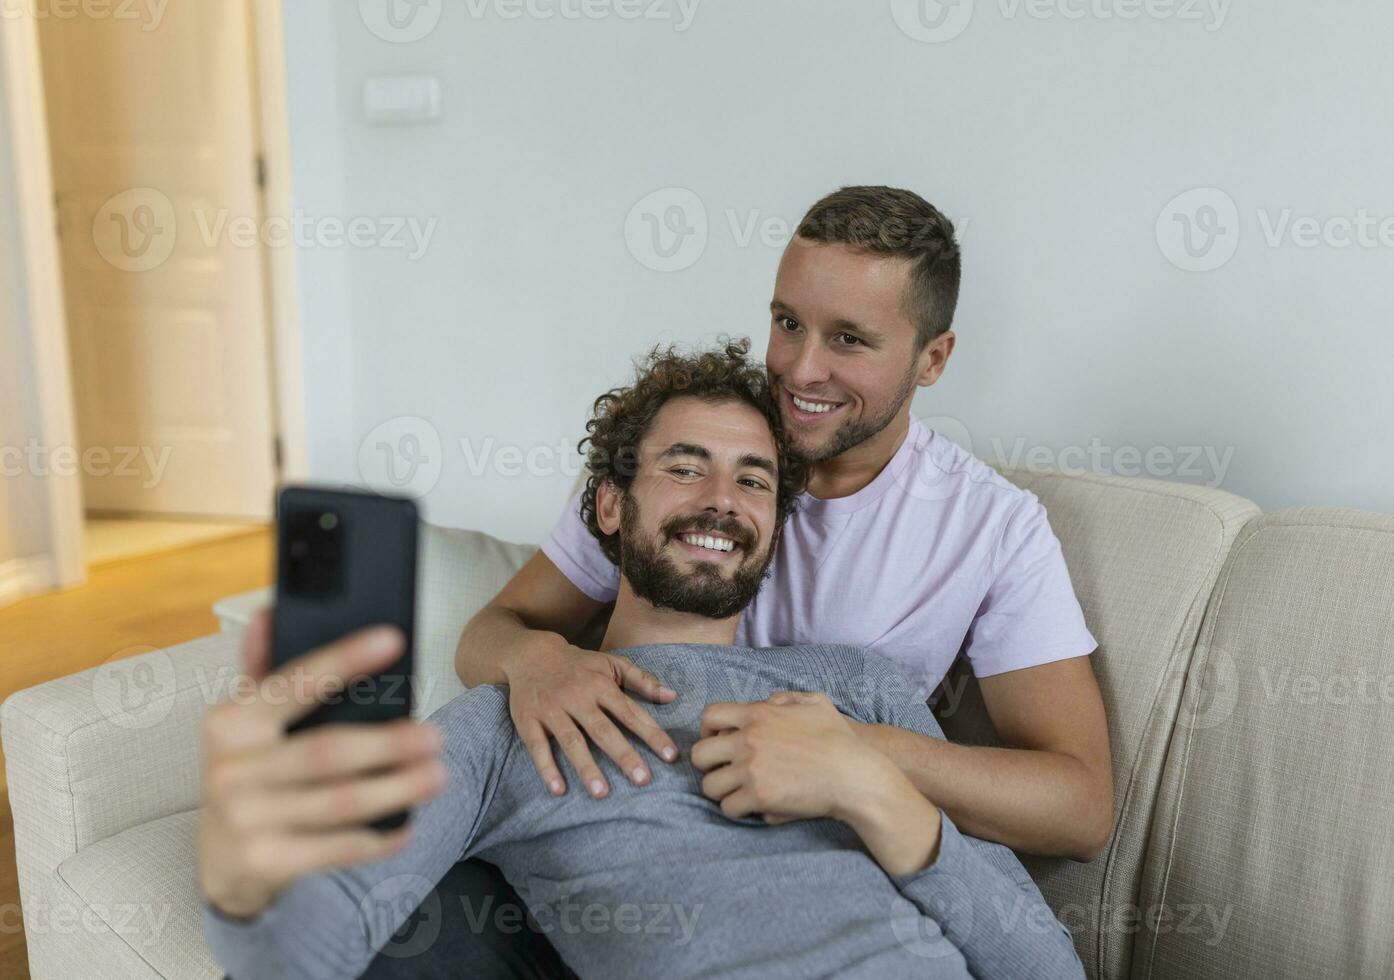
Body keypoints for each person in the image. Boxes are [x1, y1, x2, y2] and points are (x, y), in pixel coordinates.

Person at [198, 343, 1084, 980]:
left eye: (753, 480)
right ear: (612, 507)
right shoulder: (505, 727)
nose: (721, 502)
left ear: (775, 528)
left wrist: (879, 793)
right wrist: (248, 885)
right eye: (686, 468)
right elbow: (314, 949)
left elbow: (1046, 965)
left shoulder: (858, 686)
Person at [449, 187, 1114, 974]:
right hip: (627, 862)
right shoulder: (702, 451)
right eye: (788, 322)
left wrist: (857, 755)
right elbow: (494, 629)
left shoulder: (989, 528)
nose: (801, 368)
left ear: (932, 359)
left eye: (850, 341)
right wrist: (538, 660)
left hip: (829, 876)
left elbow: (1079, 804)